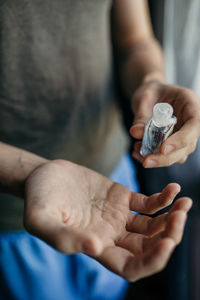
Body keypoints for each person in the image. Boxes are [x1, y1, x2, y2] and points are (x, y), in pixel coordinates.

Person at [0, 1, 198, 299]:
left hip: (112, 182)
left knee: (110, 285)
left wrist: (151, 79)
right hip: (16, 213)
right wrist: (29, 173)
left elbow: (135, 41)